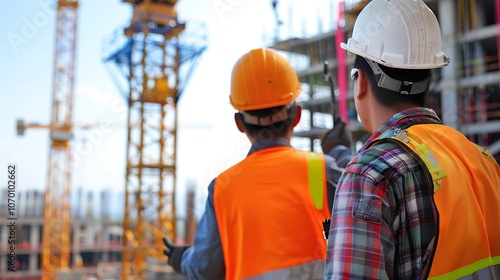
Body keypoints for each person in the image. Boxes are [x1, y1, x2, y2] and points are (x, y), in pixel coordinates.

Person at [324, 0, 500, 279]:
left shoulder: (367, 175)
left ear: (361, 82)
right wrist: (344, 152)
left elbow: (390, 169)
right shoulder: (482, 159)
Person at [163, 47, 353, 279]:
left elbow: (206, 270)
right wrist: (339, 150)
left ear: (239, 123)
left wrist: (182, 258)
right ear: (297, 116)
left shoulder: (223, 189)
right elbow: (363, 189)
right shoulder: (319, 169)